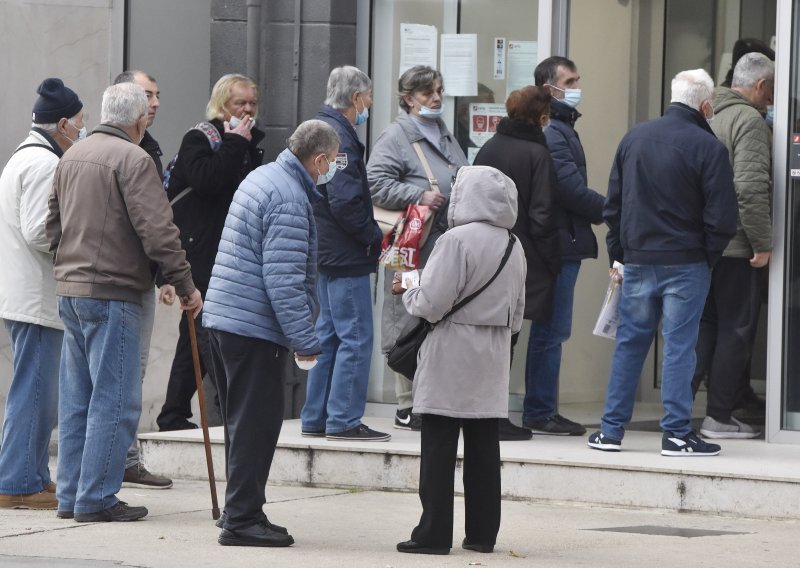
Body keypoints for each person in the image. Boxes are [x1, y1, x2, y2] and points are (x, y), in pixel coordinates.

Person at [46, 82, 202, 521]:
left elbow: (50, 227)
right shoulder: (133, 159)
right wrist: (186, 284)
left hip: (72, 291)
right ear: (138, 120)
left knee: (78, 399)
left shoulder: (72, 154)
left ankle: (72, 496)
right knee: (115, 399)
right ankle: (95, 498)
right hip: (113, 292)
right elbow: (159, 231)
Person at [202, 119, 339, 547]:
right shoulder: (290, 197)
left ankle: (243, 511)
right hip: (252, 328)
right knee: (256, 426)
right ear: (318, 158)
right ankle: (242, 519)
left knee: (244, 425)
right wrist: (305, 340)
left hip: (227, 320)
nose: (332, 168)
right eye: (332, 161)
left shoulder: (265, 177)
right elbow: (283, 280)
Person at [588, 69, 738, 456]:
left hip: (637, 260)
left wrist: (618, 254)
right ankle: (675, 433)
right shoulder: (709, 147)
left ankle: (610, 432)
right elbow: (722, 217)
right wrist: (707, 255)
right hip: (687, 263)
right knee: (679, 347)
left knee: (629, 343)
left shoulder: (633, 138)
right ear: (706, 105)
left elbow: (613, 206)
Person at [393, 165, 526, 555]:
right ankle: (482, 534)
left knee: (439, 447)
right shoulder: (513, 245)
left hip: (451, 349)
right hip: (493, 351)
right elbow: (518, 312)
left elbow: (431, 304)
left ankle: (433, 534)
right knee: (485, 448)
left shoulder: (455, 240)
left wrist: (408, 289)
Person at [156, 73, 264, 433]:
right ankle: (232, 407)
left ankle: (173, 414)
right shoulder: (201, 137)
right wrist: (235, 144)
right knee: (210, 331)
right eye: (240, 103)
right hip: (200, 253)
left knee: (195, 339)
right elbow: (207, 181)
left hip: (230, 251)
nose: (247, 109)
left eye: (251, 103)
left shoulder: (248, 142)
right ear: (222, 105)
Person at [367, 65, 469, 432]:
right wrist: (419, 194)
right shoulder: (395, 136)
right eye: (428, 93)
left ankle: (432, 398)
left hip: (443, 245)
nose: (437, 98)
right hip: (410, 247)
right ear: (408, 98)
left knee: (437, 316)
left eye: (439, 90)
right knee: (406, 316)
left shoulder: (444, 134)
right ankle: (406, 403)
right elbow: (374, 183)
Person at [0, 78, 84, 510]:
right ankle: (16, 483)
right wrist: (82, 239)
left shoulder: (24, 156)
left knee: (35, 390)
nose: (83, 131)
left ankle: (30, 475)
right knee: (35, 392)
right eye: (81, 123)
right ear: (64, 123)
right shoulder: (43, 164)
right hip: (35, 299)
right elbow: (38, 231)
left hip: (27, 296)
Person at [300, 66, 389, 441]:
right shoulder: (341, 139)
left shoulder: (321, 129)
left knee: (329, 335)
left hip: (325, 250)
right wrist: (374, 237)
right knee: (354, 336)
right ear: (356, 99)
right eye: (368, 98)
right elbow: (345, 199)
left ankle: (316, 417)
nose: (369, 105)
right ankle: (344, 420)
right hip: (345, 254)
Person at [692, 53, 774, 440]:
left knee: (704, 328)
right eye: (770, 91)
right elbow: (750, 187)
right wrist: (762, 242)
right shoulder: (750, 120)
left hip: (704, 244)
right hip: (738, 245)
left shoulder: (708, 113)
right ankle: (719, 417)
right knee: (736, 329)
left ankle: (679, 408)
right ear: (759, 86)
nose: (772, 101)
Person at [474, 86, 561, 441]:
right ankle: (495, 418)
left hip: (483, 253)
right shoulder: (538, 154)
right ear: (540, 117)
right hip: (521, 256)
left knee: (490, 336)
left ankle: (481, 413)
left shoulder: (489, 148)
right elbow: (542, 215)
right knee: (509, 335)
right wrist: (553, 258)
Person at [527, 56, 605, 436]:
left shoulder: (561, 128)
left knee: (552, 331)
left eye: (577, 80)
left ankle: (542, 408)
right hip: (560, 244)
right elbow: (570, 190)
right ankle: (540, 410)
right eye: (569, 82)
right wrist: (613, 210)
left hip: (565, 240)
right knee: (551, 332)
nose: (576, 88)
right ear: (549, 89)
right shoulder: (554, 131)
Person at [112, 70, 173, 489]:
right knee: (120, 376)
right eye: (146, 95)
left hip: (138, 279)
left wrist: (166, 274)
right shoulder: (122, 152)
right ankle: (118, 463)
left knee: (129, 374)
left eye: (157, 95)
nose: (154, 103)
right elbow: (153, 226)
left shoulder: (148, 148)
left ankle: (122, 458)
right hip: (118, 283)